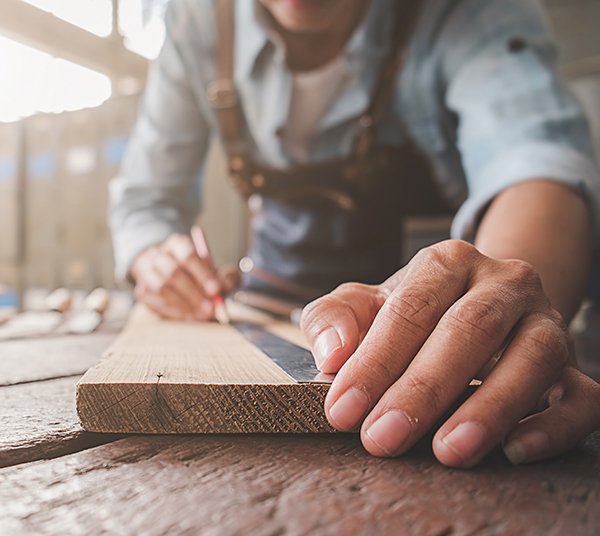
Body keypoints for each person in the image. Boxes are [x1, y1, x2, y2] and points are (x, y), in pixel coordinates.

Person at [110, 0, 600, 468]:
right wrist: (153, 256)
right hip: (264, 304)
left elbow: (534, 159)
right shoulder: (197, 16)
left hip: (417, 321)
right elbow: (146, 200)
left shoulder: (460, 12)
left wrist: (489, 310)